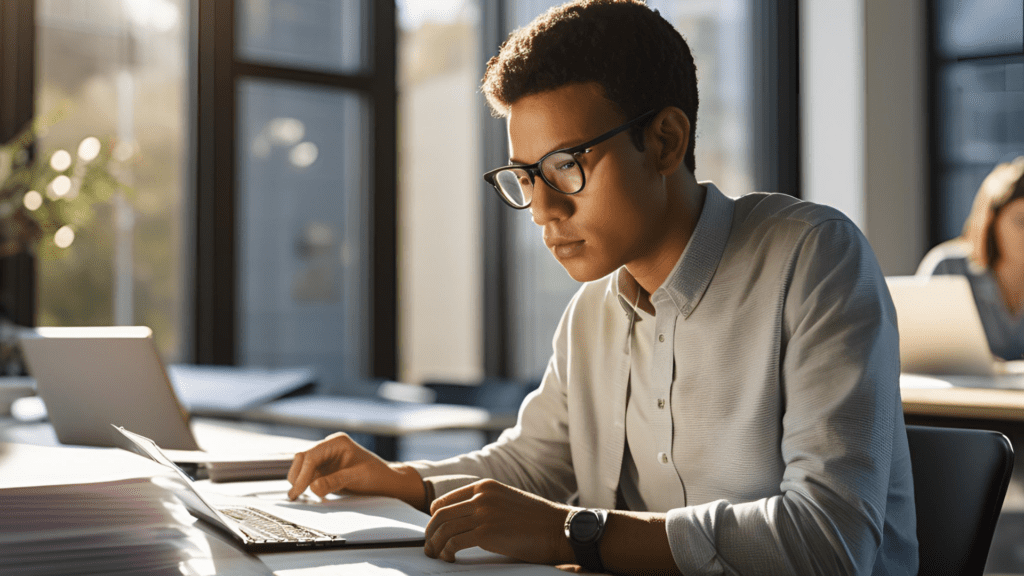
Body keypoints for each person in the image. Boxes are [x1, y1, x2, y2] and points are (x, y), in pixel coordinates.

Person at [287, 1, 918, 574]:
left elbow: (830, 541)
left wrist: (574, 535)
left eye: (566, 166)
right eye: (527, 176)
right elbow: (534, 464)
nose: (541, 210)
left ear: (665, 141)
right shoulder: (592, 311)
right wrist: (400, 481)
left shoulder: (812, 258)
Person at [917, 157, 1024, 361]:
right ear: (992, 222)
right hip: (958, 392)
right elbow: (921, 355)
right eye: (1021, 221)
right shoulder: (948, 268)